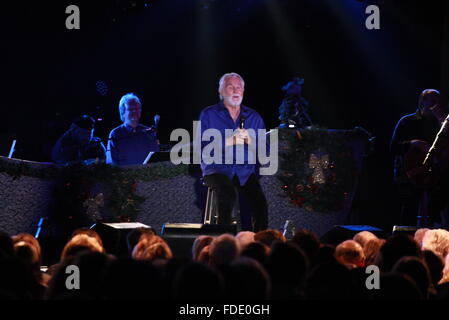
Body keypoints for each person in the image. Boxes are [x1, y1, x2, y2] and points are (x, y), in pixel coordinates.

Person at [198, 72, 269, 232]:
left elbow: (266, 152)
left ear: (243, 91)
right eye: (230, 87)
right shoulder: (208, 114)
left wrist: (251, 140)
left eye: (239, 88)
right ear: (221, 92)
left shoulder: (253, 117)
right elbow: (202, 148)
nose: (235, 91)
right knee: (227, 194)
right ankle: (224, 242)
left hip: (244, 170)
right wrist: (228, 141)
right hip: (216, 168)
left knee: (259, 202)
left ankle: (260, 241)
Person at [390, 89, 449, 227]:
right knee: (410, 206)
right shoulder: (407, 121)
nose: (437, 106)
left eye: (439, 102)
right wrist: (413, 143)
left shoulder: (440, 124)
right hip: (409, 172)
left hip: (433, 173)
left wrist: (442, 124)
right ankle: (405, 240)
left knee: (438, 205)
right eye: (433, 102)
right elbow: (393, 148)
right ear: (422, 102)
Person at [107, 93, 159, 165]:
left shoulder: (149, 132)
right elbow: (112, 164)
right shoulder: (115, 134)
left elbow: (156, 158)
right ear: (123, 112)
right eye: (131, 109)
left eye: (137, 108)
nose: (135, 111)